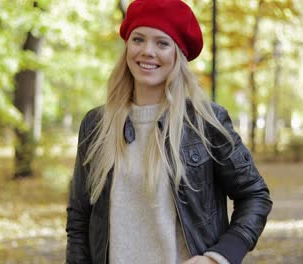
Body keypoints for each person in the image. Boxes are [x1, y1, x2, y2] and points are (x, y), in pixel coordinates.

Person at [66, 0, 272, 263]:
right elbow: (79, 218)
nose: (147, 51)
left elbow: (255, 195)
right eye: (138, 39)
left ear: (178, 54)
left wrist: (219, 257)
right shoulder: (96, 125)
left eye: (162, 43)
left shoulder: (204, 123)